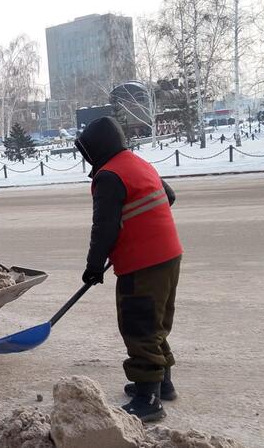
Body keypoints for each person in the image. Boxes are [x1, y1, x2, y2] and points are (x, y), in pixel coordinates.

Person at [74, 117, 183, 422]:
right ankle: (162, 383)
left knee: (139, 325)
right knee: (155, 322)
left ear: (97, 148)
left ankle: (148, 399)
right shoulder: (137, 163)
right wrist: (142, 222)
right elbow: (169, 196)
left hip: (143, 263)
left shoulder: (109, 176)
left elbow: (104, 228)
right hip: (169, 255)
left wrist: (93, 266)